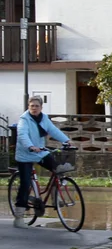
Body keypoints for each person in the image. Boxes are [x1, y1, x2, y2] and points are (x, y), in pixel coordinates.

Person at [13, 96, 71, 229]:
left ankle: (56, 197)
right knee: (25, 183)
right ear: (28, 107)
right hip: (26, 154)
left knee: (58, 168)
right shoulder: (24, 120)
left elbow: (53, 130)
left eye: (36, 106)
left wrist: (66, 140)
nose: (34, 108)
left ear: (41, 107)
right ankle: (19, 217)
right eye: (31, 106)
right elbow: (22, 135)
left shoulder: (44, 118)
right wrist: (30, 146)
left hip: (40, 152)